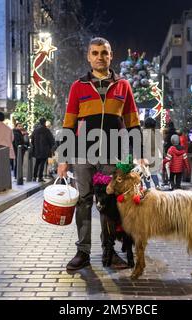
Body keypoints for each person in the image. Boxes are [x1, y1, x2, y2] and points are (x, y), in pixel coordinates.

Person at [57, 37, 144, 270]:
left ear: (110, 55)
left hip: (111, 155)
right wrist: (63, 158)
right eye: (95, 53)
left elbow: (133, 122)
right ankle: (83, 252)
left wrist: (141, 154)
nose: (99, 57)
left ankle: (109, 251)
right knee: (83, 201)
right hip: (83, 155)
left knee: (107, 203)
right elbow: (69, 124)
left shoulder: (123, 85)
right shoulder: (78, 86)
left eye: (103, 53)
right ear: (89, 56)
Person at [31, 118, 55, 182]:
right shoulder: (47, 130)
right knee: (42, 164)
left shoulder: (35, 130)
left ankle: (34, 176)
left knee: (37, 163)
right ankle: (40, 177)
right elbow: (52, 141)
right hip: (45, 150)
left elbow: (32, 140)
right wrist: (51, 147)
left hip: (37, 150)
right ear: (44, 122)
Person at [142, 117, 162, 189]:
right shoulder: (157, 133)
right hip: (155, 156)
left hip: (146, 156)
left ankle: (148, 189)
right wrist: (163, 155)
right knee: (154, 173)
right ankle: (157, 186)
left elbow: (142, 145)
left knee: (146, 174)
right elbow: (160, 145)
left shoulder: (144, 133)